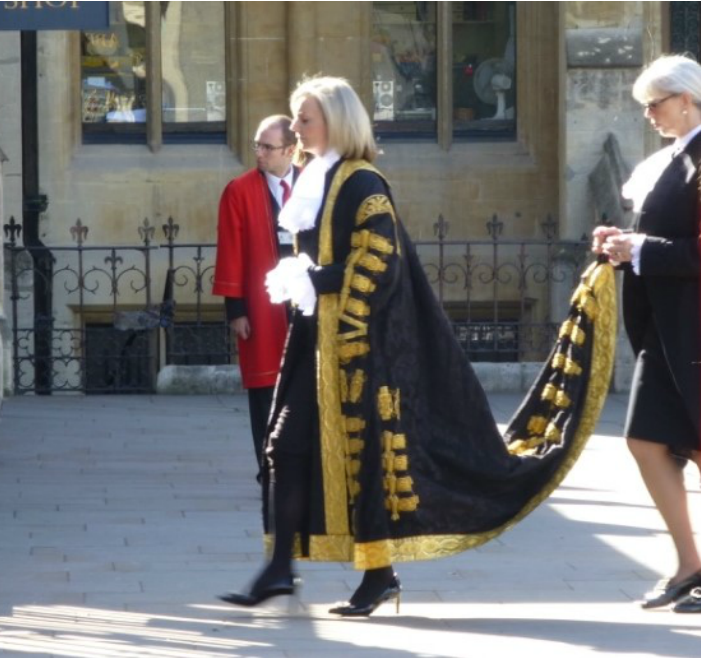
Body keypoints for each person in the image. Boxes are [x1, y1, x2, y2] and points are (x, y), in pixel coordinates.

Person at [219, 76, 615, 616]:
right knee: (284, 449)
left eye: (304, 119)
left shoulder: (363, 183)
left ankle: (373, 575)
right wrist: (303, 279)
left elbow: (380, 263)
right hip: (318, 344)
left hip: (363, 350)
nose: (295, 128)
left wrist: (320, 280)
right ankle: (280, 569)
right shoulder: (317, 177)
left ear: (335, 121)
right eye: (294, 119)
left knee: (366, 463)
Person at [592, 54, 701, 613]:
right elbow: (658, 237)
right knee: (646, 439)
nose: (649, 114)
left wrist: (642, 250)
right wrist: (621, 244)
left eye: (655, 103)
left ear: (686, 99)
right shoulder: (674, 157)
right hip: (665, 327)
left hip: (694, 328)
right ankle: (690, 564)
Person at [213, 115, 298, 480]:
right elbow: (230, 249)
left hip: (306, 300)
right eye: (257, 145)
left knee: (306, 383)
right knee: (265, 385)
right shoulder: (240, 190)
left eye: (268, 147)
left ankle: (304, 465)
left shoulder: (313, 184)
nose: (259, 153)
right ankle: (269, 467)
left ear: (290, 150)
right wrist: (236, 310)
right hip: (262, 305)